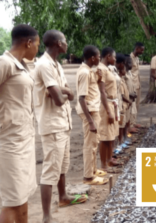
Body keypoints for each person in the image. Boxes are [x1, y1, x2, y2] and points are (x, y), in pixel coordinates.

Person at [33, 30, 87, 223]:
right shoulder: (44, 65)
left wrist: (62, 91)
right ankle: (47, 216)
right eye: (65, 40)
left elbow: (67, 93)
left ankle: (63, 197)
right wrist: (63, 91)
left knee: (62, 164)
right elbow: (58, 99)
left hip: (63, 123)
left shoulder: (56, 64)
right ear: (57, 43)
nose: (67, 43)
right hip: (52, 125)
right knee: (50, 170)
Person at [0, 24, 39, 223]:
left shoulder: (21, 65)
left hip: (24, 139)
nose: (37, 49)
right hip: (9, 142)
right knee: (12, 199)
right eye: (37, 44)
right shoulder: (4, 63)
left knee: (23, 195)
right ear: (28, 42)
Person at [75, 45, 108, 185]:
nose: (100, 59)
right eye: (99, 57)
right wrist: (90, 121)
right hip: (90, 112)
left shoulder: (90, 71)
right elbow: (81, 98)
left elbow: (95, 89)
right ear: (92, 58)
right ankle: (88, 177)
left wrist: (100, 78)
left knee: (94, 142)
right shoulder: (85, 73)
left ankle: (93, 171)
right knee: (90, 145)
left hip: (94, 110)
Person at [97, 47, 121, 172]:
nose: (115, 59)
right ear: (108, 56)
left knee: (110, 135)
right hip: (106, 105)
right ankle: (103, 164)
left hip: (112, 104)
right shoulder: (101, 69)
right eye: (114, 57)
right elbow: (102, 92)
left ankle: (108, 159)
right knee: (104, 136)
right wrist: (108, 111)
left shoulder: (108, 69)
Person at [113, 53, 132, 154]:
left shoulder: (122, 79)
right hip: (120, 105)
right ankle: (119, 144)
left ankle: (122, 142)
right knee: (119, 127)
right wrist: (128, 101)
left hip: (123, 106)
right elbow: (121, 94)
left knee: (123, 124)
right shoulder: (118, 79)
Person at [130, 42, 145, 131]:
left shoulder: (137, 59)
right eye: (141, 50)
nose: (142, 51)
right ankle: (131, 124)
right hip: (132, 84)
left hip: (137, 84)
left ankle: (134, 122)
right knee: (132, 105)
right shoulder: (129, 58)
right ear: (137, 48)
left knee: (137, 104)